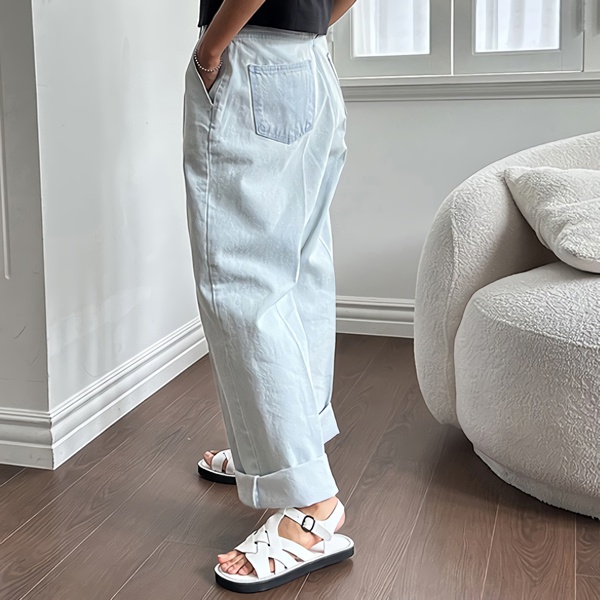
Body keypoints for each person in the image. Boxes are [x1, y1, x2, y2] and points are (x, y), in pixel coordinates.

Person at [182, 0, 356, 592]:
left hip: (251, 57)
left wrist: (212, 50)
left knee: (240, 283)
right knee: (299, 272)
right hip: (312, 63)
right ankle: (282, 447)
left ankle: (309, 501)